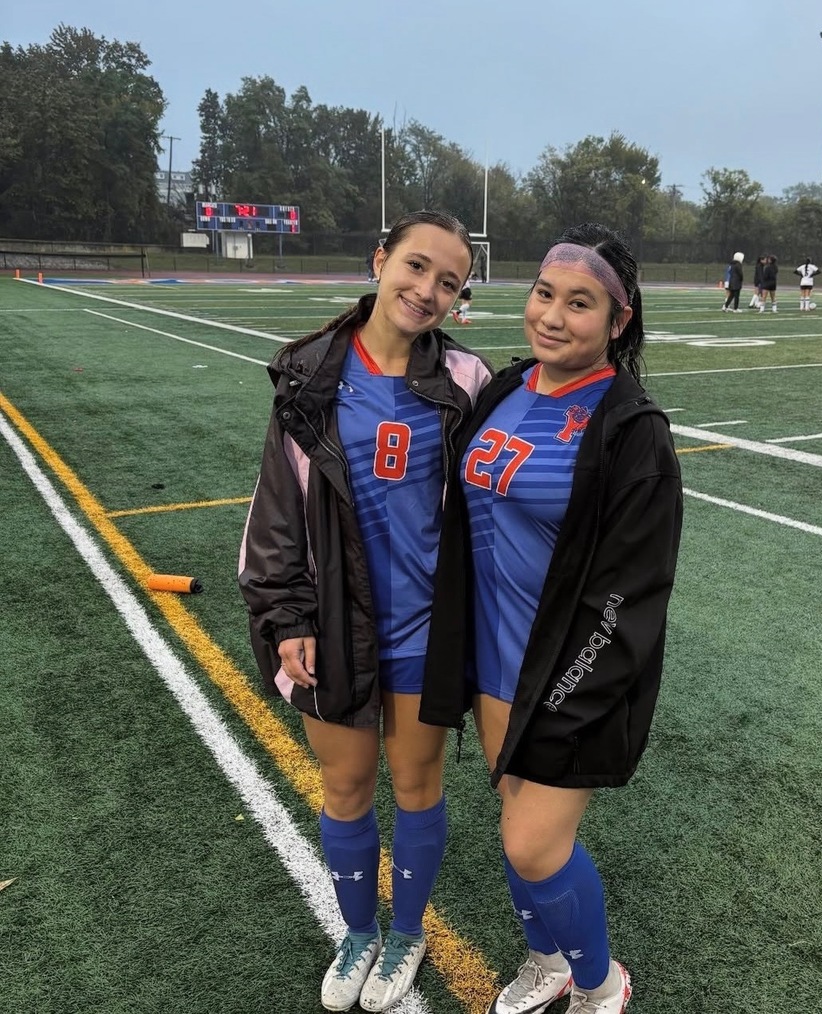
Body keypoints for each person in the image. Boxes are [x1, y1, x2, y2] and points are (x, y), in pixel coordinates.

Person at [421, 223, 684, 1014]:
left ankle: (603, 986)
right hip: (494, 660)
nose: (554, 316)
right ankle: (549, 960)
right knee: (517, 824)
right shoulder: (504, 389)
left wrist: (573, 690)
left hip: (572, 672)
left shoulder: (632, 430)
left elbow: (630, 592)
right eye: (545, 294)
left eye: (580, 303)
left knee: (532, 843)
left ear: (618, 320)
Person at [238, 210, 493, 1013]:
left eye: (448, 282)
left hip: (426, 628)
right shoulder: (309, 374)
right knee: (345, 786)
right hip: (335, 625)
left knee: (418, 785)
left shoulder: (467, 381)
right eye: (416, 267)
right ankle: (357, 932)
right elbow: (276, 512)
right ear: (379, 259)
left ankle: (407, 932)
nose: (427, 290)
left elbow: (496, 504)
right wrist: (287, 618)